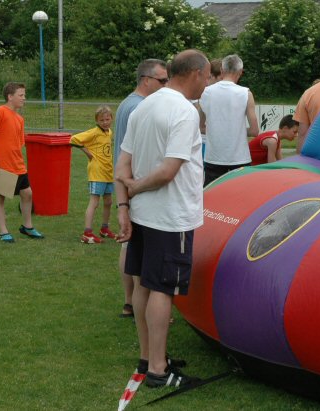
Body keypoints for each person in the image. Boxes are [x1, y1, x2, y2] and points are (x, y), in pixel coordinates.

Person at [114, 49, 209, 387]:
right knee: (162, 289)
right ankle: (157, 369)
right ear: (195, 73)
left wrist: (124, 206)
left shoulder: (145, 105)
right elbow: (169, 170)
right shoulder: (183, 111)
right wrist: (136, 188)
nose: (208, 82)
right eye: (208, 75)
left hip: (143, 214)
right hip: (172, 216)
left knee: (143, 282)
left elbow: (121, 163)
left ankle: (148, 356)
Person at [113, 58, 168, 318]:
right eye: (162, 81)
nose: (166, 86)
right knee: (133, 249)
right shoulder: (141, 107)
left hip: (126, 182)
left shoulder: (128, 103)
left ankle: (130, 302)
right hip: (133, 184)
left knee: (129, 247)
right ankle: (137, 304)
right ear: (146, 80)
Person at [0, 82, 44, 243]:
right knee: (0, 198)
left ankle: (27, 227)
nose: (24, 98)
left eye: (24, 95)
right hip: (1, 164)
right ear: (10, 97)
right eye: (21, 95)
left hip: (17, 164)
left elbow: (19, 143)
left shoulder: (19, 118)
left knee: (27, 194)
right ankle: (4, 231)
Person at [200, 54, 259, 186]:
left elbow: (201, 127)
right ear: (240, 72)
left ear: (221, 70)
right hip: (239, 157)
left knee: (211, 197)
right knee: (242, 197)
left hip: (213, 157)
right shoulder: (246, 94)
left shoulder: (205, 92)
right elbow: (255, 131)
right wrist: (236, 130)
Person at [70, 105, 116, 244]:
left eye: (107, 119)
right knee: (94, 202)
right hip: (97, 172)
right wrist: (88, 153)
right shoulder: (94, 132)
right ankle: (87, 233)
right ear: (97, 121)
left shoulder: (109, 132)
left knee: (108, 201)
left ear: (111, 119)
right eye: (102, 120)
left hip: (108, 172)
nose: (105, 122)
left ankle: (104, 229)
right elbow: (73, 139)